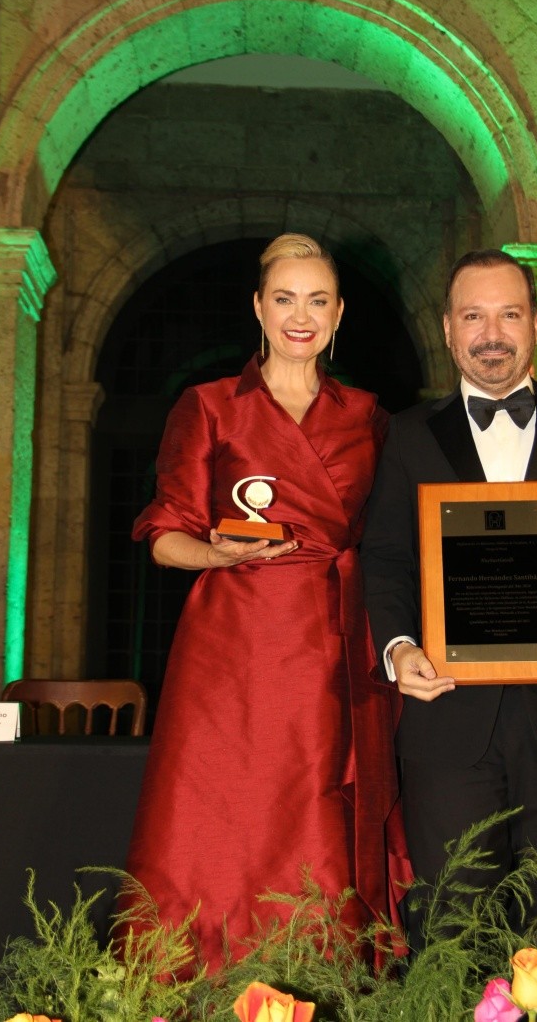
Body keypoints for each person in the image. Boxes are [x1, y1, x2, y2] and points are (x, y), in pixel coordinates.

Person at [360, 249, 537, 975]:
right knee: (450, 921)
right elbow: (385, 558)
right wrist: (399, 648)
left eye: (509, 314)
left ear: (535, 325)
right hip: (447, 714)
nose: (492, 334)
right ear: (448, 329)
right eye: (474, 316)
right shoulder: (407, 436)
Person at [124, 233, 413, 975]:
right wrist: (214, 554)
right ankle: (196, 981)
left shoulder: (369, 416)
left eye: (318, 300)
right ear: (258, 307)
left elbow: (410, 516)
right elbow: (163, 533)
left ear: (340, 313)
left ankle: (315, 979)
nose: (300, 316)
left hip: (330, 641)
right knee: (217, 813)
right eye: (285, 299)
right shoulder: (210, 406)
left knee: (312, 811)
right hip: (232, 642)